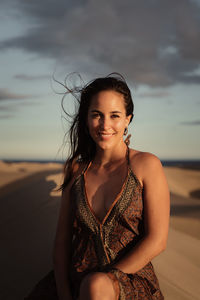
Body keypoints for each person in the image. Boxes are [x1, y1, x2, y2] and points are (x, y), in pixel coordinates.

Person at [25, 73, 170, 300]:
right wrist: (64, 293)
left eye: (114, 116)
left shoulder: (146, 165)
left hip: (129, 282)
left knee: (96, 286)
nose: (105, 125)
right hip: (75, 279)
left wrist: (107, 279)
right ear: (86, 118)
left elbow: (157, 240)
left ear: (127, 119)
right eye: (97, 115)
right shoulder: (76, 171)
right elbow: (62, 243)